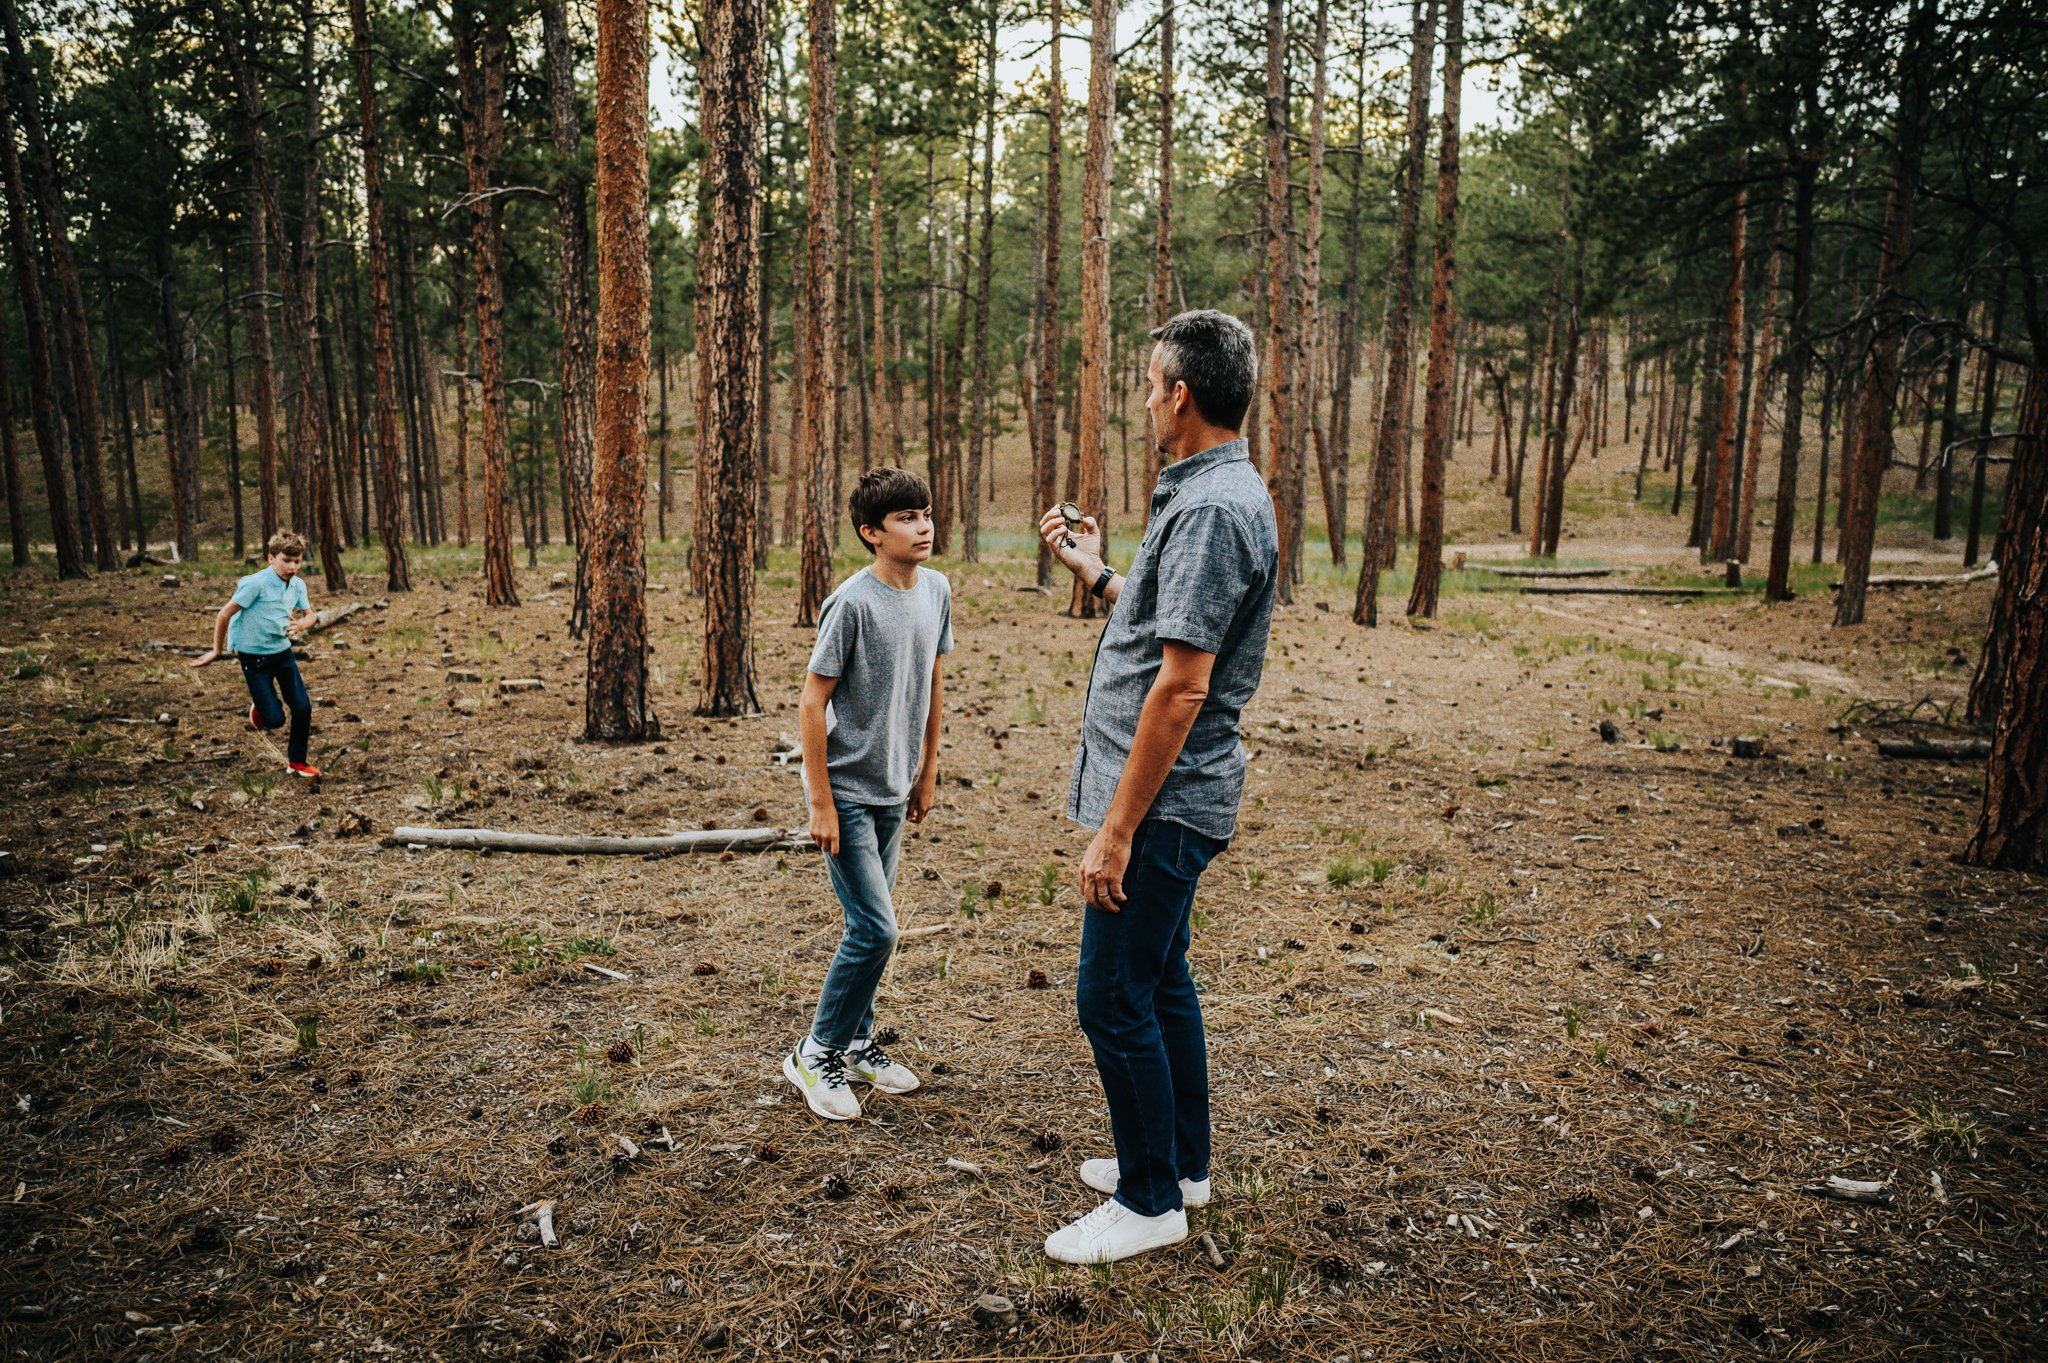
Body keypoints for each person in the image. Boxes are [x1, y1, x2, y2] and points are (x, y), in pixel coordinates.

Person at [1036, 309, 1278, 1263]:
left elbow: (1181, 685)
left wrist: (1117, 831)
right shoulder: (1206, 493)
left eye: (1148, 383)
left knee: (1111, 997)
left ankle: (1148, 1204)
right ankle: (1181, 1164)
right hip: (1169, 799)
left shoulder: (1216, 507)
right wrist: (1097, 572)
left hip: (1167, 804)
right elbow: (1165, 624)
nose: (1144, 399)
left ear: (1181, 394)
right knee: (1161, 976)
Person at [784, 467, 953, 1122]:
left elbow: (934, 685)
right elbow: (811, 699)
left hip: (893, 785)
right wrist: (820, 801)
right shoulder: (851, 602)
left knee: (870, 922)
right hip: (847, 791)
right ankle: (815, 1049)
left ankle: (857, 1041)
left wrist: (928, 768)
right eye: (907, 517)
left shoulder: (936, 590)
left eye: (926, 512)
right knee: (877, 928)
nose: (923, 526)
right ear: (871, 533)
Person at [191, 528, 321, 779]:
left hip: (282, 652)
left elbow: (310, 614)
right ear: (271, 558)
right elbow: (224, 614)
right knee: (274, 720)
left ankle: (297, 762)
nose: (292, 566)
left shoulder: (297, 585)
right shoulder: (255, 584)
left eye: (297, 561)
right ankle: (261, 708)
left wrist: (304, 624)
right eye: (286, 560)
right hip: (254, 657)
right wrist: (216, 651)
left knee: (302, 708)